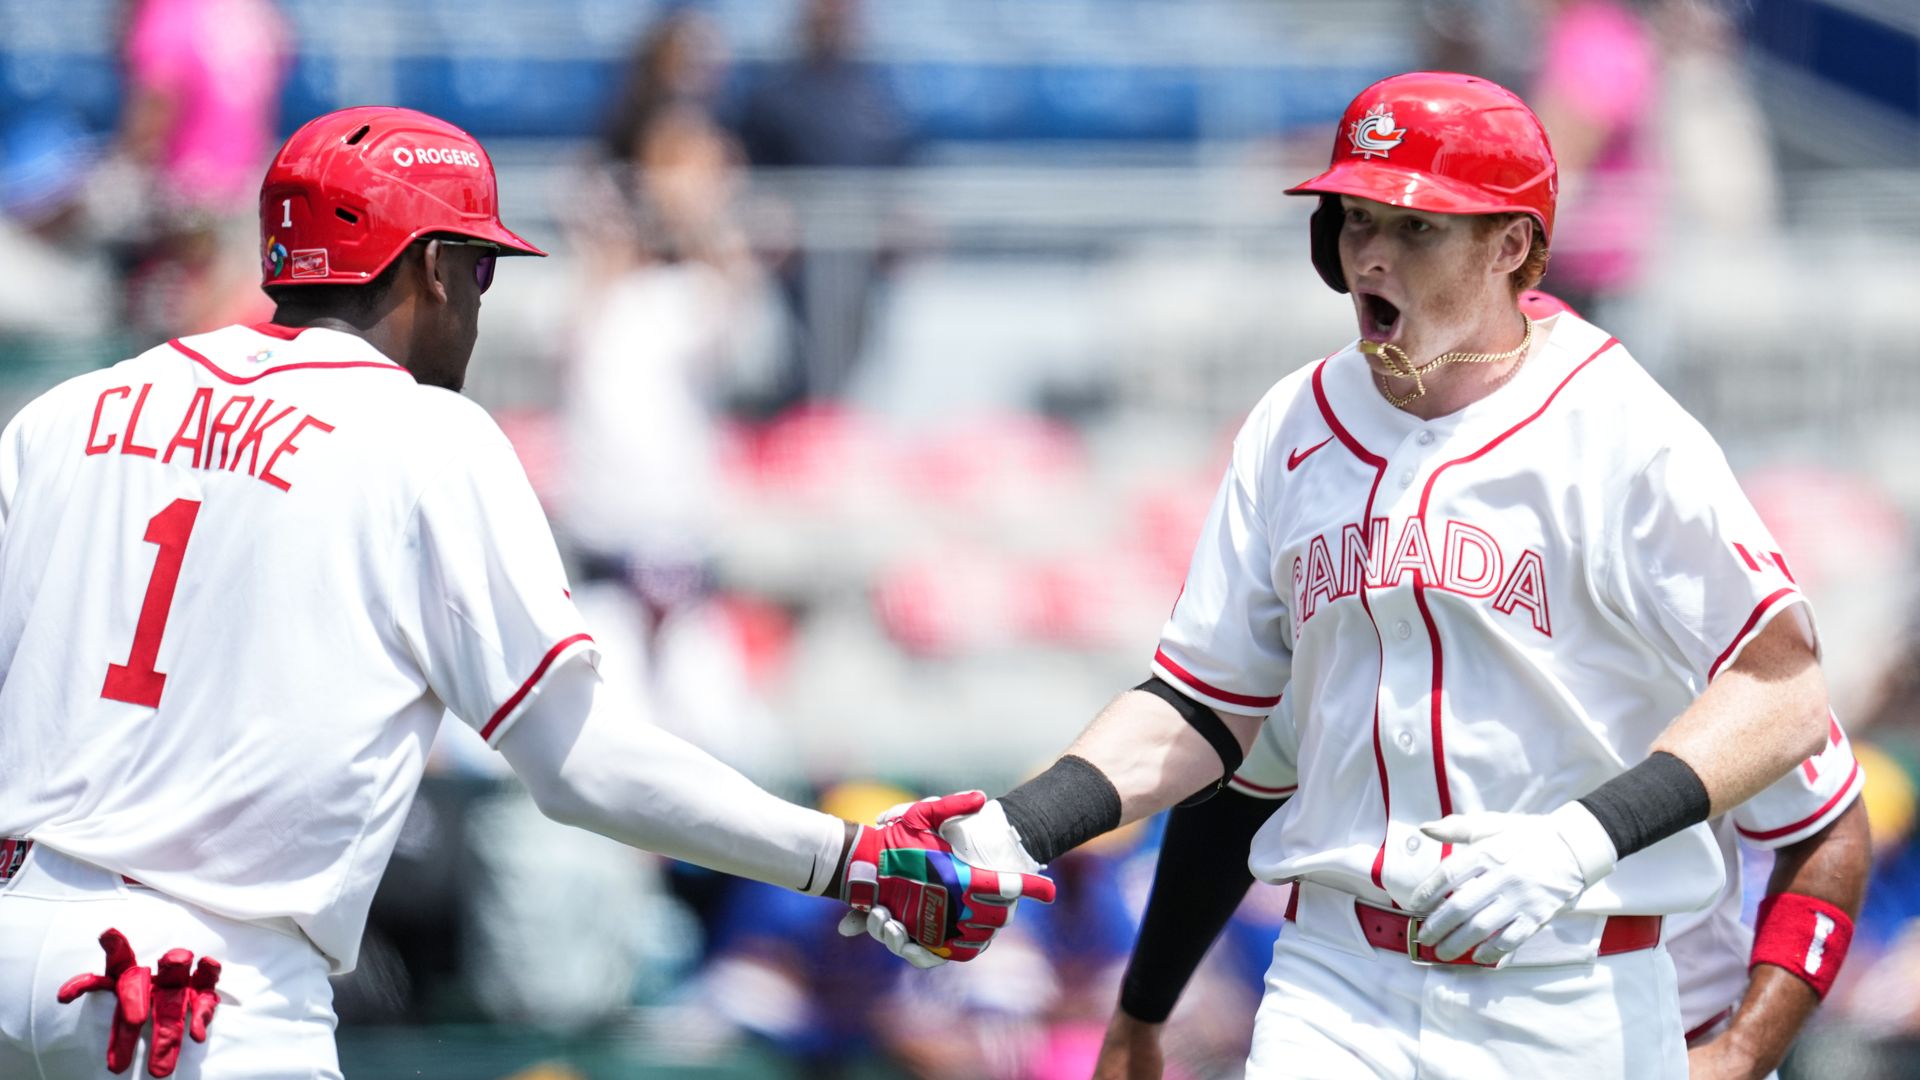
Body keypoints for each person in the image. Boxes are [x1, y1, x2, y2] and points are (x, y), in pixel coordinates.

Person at [0, 106, 1049, 1079]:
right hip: (199, 998)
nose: (477, 303)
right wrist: (849, 859)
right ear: (432, 269)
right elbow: (577, 762)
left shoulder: (68, 411)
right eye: (480, 268)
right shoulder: (424, 435)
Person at [848, 72, 1835, 1078]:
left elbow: (1785, 691)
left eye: (1416, 228)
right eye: (1355, 218)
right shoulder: (1292, 424)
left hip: (1568, 984)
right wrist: (1020, 828)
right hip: (1333, 983)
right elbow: (1201, 710)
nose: (1370, 250)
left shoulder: (1622, 427)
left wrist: (1579, 841)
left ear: (1512, 246)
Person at [1093, 683, 1869, 1080]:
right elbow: (1243, 792)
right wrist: (1142, 1013)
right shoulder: (1353, 616)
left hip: (1643, 1040)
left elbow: (1829, 823)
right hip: (1362, 1022)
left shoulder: (1676, 616)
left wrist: (1742, 1053)